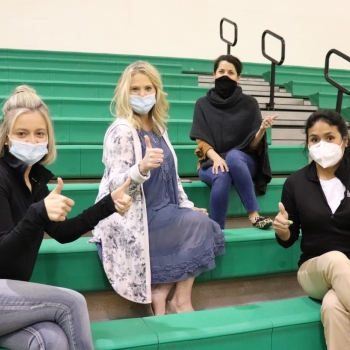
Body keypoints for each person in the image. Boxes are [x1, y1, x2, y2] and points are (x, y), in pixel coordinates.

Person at [0, 85, 131, 350]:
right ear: (6, 138)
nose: (33, 141)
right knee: (71, 302)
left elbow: (63, 233)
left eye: (40, 134)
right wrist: (38, 212)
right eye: (22, 134)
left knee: (51, 340)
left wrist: (109, 204)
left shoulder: (35, 181)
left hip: (10, 301)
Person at [91, 60, 225, 316]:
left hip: (164, 210)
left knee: (202, 220)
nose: (143, 95)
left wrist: (186, 205)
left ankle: (163, 293)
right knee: (204, 226)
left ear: (157, 91)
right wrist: (140, 168)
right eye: (135, 89)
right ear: (124, 93)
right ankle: (180, 300)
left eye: (148, 88)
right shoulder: (121, 131)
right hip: (135, 217)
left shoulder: (159, 128)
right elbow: (114, 187)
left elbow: (171, 177)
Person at [274, 109, 350, 349]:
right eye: (314, 139)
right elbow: (289, 238)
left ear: (344, 141)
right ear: (307, 144)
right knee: (336, 260)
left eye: (330, 138)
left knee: (333, 306)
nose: (322, 144)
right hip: (313, 269)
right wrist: (282, 230)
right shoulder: (295, 182)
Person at [190, 54, 277, 229]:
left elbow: (252, 146)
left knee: (234, 156)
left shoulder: (250, 103)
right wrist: (216, 159)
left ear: (238, 77)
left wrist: (261, 130)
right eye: (221, 71)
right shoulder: (202, 104)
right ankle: (216, 230)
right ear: (214, 74)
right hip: (211, 161)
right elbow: (202, 140)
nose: (225, 76)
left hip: (243, 162)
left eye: (231, 72)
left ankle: (253, 215)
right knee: (221, 176)